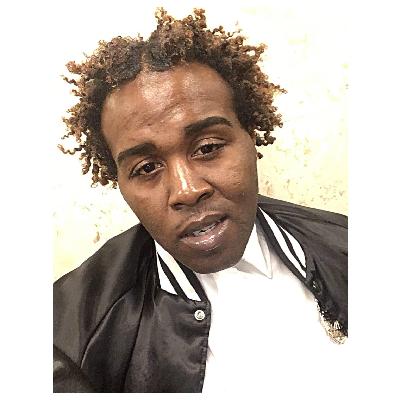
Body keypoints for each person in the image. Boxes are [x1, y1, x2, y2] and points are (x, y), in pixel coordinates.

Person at [53, 8, 348, 393]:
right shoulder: (65, 338)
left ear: (250, 135)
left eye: (207, 147)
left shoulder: (348, 245)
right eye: (146, 168)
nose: (187, 190)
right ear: (118, 180)